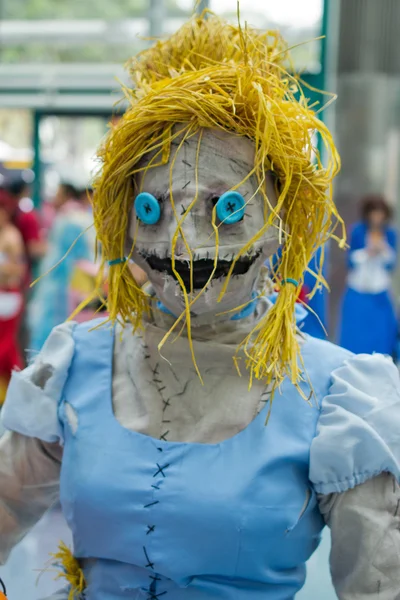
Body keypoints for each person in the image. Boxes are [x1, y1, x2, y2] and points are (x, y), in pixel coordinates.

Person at [1, 10, 400, 600]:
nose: (182, 242)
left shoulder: (338, 397)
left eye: (226, 209)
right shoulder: (76, 366)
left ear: (280, 223)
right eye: (153, 209)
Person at [28, 180, 95, 351]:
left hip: (62, 285)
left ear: (67, 195)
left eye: (58, 193)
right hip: (68, 284)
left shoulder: (70, 219)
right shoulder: (77, 216)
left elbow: (67, 258)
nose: (54, 197)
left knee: (52, 333)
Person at [339, 195, 397, 355]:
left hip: (379, 291)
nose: (377, 217)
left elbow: (390, 264)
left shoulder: (390, 234)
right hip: (358, 287)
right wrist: (367, 252)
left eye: (380, 214)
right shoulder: (358, 231)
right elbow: (350, 261)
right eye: (374, 213)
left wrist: (383, 249)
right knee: (355, 332)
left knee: (381, 333)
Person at [0, 189, 25, 404]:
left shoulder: (11, 237)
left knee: (5, 349)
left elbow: (18, 271)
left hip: (8, 298)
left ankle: (17, 394)